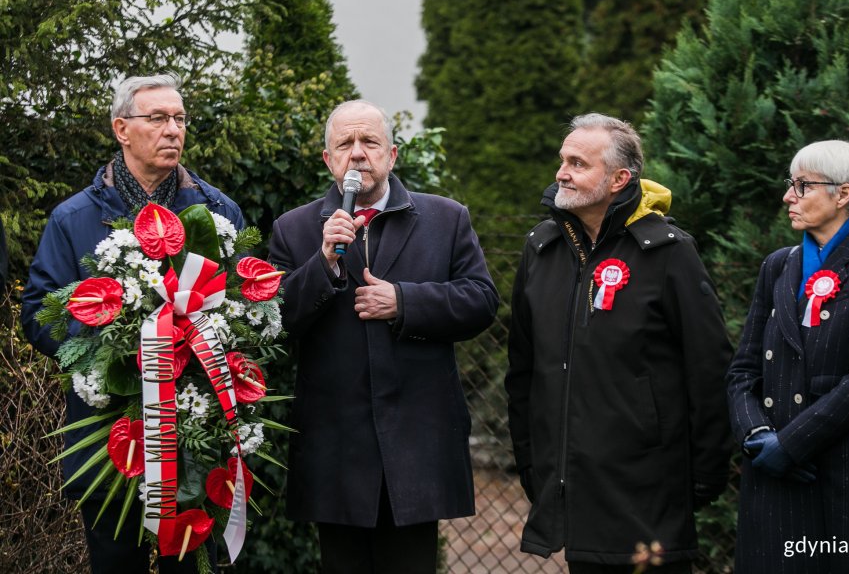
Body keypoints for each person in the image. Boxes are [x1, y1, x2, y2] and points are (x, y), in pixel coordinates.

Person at [21, 73, 243, 573]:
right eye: (158, 118)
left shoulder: (216, 210)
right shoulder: (73, 219)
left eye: (180, 119)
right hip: (109, 438)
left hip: (193, 439)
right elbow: (37, 313)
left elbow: (242, 311)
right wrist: (117, 348)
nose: (173, 130)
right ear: (122, 129)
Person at [268, 99, 498, 573]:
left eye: (369, 142)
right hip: (335, 446)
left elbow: (481, 301)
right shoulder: (293, 229)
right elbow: (273, 320)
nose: (357, 154)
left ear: (392, 155)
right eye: (345, 144)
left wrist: (405, 302)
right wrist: (324, 263)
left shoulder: (445, 218)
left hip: (416, 440)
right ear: (327, 159)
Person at [505, 113, 733, 573]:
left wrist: (703, 478)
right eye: (562, 160)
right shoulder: (541, 248)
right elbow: (524, 372)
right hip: (572, 488)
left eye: (577, 163)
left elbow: (709, 369)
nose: (561, 172)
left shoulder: (669, 251)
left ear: (618, 179)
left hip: (650, 497)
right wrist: (533, 465)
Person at [726, 140, 849, 573]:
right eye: (791, 184)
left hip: (845, 480)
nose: (788, 196)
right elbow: (743, 371)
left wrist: (791, 445)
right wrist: (757, 437)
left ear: (842, 194)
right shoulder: (777, 266)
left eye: (802, 186)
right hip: (772, 475)